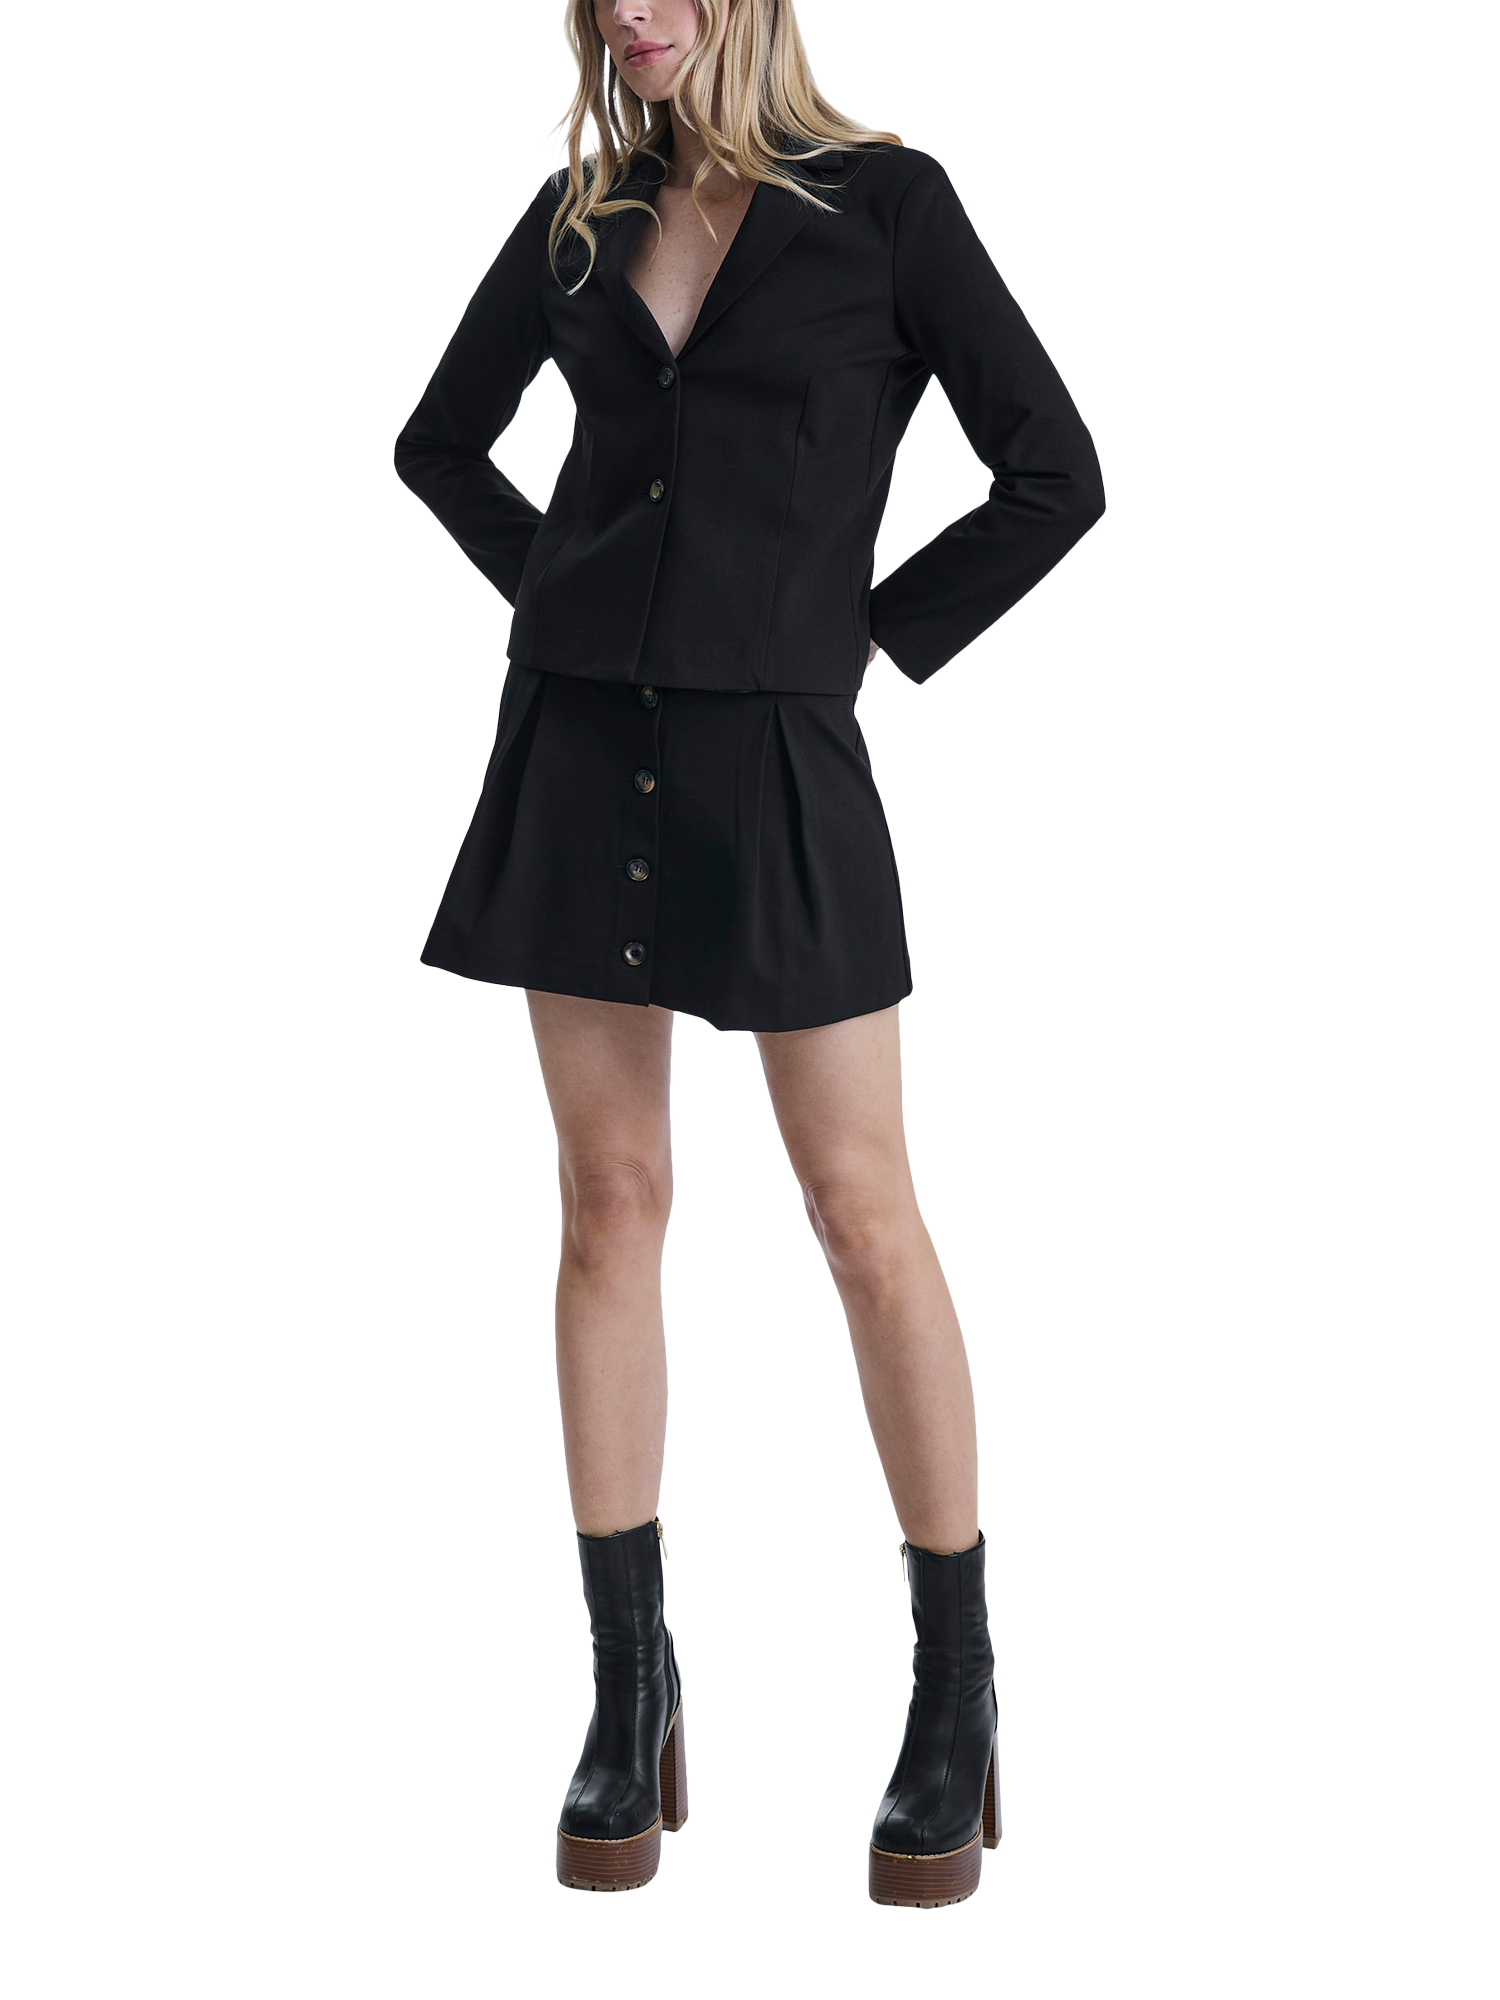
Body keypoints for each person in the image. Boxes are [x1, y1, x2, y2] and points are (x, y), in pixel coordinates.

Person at [393, 0, 1104, 1907]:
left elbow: (1055, 472)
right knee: (609, 1201)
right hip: (576, 743)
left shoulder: (889, 207)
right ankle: (632, 1687)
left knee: (860, 1210)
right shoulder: (581, 211)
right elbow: (438, 444)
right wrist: (577, 594)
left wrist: (847, 633)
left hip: (779, 760)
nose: (630, 12)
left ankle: (956, 1691)